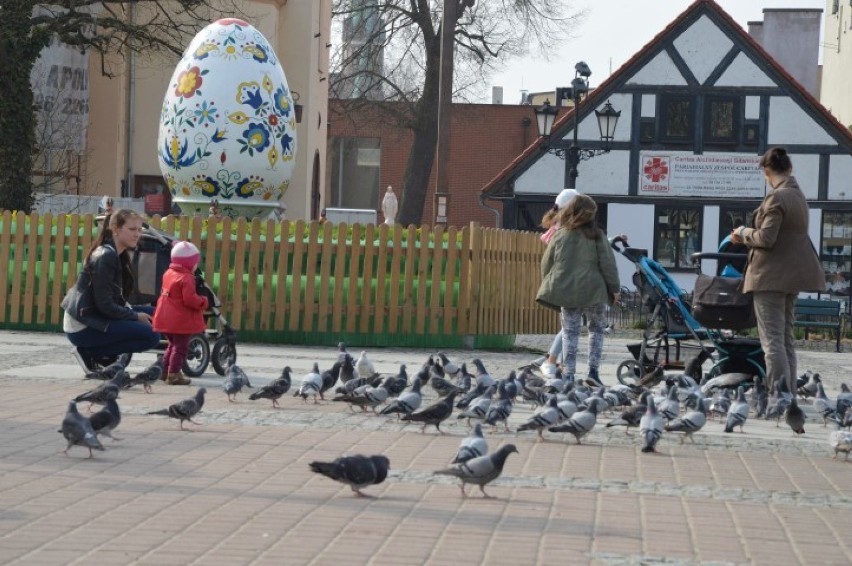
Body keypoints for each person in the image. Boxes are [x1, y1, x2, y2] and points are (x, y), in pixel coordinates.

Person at [731, 146, 826, 394]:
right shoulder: (799, 196)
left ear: (766, 171)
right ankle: (789, 394)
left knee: (771, 342)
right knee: (785, 340)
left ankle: (779, 395)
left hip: (770, 277)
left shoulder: (777, 197)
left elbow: (766, 237)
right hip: (793, 277)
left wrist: (742, 233)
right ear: (790, 168)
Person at [536, 194, 621, 387]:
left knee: (570, 332)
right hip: (595, 291)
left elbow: (546, 264)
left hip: (568, 292)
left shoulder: (560, 234)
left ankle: (569, 375)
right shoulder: (597, 235)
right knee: (597, 330)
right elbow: (608, 264)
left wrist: (552, 284)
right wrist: (614, 289)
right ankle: (593, 372)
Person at [62, 209, 161, 370]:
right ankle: (90, 352)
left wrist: (133, 314)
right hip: (83, 325)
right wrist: (134, 316)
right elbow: (104, 305)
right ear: (115, 229)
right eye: (132, 229)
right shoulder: (105, 256)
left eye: (139, 229)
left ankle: (102, 353)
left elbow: (112, 299)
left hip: (96, 315)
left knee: (157, 314)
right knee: (151, 336)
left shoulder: (117, 253)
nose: (137, 234)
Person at [152, 241, 209, 385]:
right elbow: (189, 299)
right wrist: (203, 301)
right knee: (180, 347)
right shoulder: (187, 278)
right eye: (195, 262)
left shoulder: (169, 273)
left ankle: (164, 371)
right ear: (190, 263)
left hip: (165, 317)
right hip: (180, 320)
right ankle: (174, 374)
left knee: (172, 345)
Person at [537, 189, 579, 377]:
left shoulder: (559, 225)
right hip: (567, 280)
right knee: (569, 325)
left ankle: (555, 360)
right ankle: (551, 360)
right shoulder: (565, 228)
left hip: (566, 279)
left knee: (569, 324)